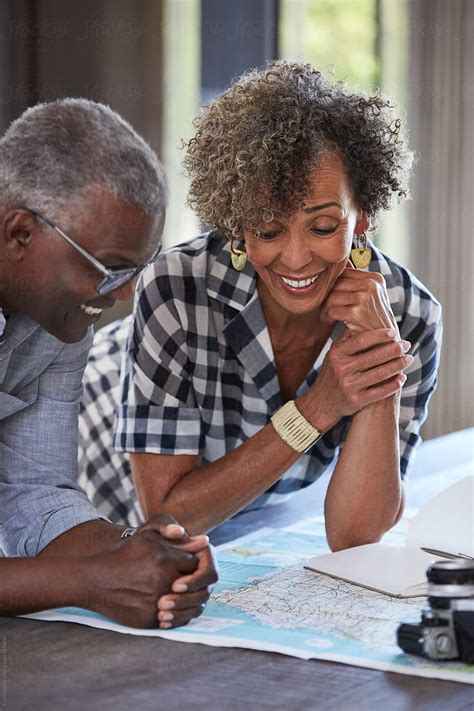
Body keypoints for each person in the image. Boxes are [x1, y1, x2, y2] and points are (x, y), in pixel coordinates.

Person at [79, 61, 442, 551]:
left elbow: (355, 535)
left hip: (237, 508)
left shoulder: (410, 316)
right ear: (236, 222)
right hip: (98, 437)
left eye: (322, 227)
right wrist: (317, 408)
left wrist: (379, 366)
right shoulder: (175, 287)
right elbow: (168, 516)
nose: (294, 259)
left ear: (363, 218)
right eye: (267, 230)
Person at [0, 98, 217, 629]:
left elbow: (36, 493)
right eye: (110, 269)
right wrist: (89, 582)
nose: (122, 296)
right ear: (20, 232)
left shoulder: (58, 316)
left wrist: (139, 549)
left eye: (136, 270)